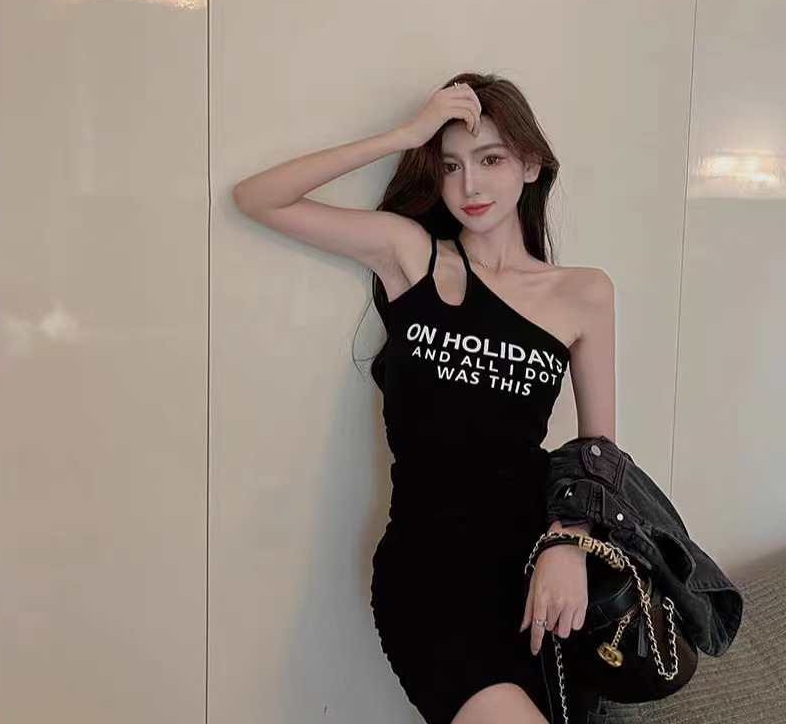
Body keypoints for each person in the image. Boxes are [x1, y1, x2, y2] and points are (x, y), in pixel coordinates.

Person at [232, 73, 616, 724]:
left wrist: (569, 543)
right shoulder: (410, 255)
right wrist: (405, 135)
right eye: (450, 165)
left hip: (539, 579)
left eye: (491, 160)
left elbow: (598, 450)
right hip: (429, 579)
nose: (469, 186)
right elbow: (258, 197)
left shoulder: (583, 293)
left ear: (530, 165)